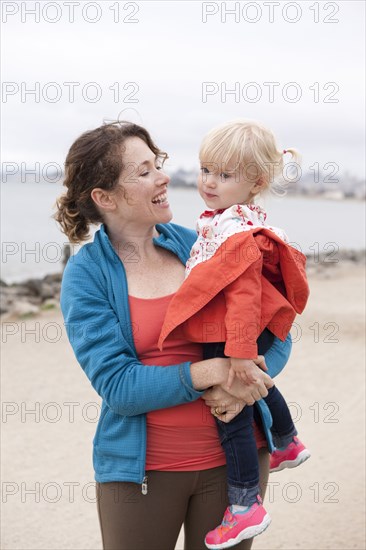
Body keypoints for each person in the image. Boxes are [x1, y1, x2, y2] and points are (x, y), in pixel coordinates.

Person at [55, 121, 292, 550]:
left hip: (237, 462)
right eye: (144, 171)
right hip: (142, 474)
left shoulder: (207, 244)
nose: (164, 177)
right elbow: (120, 387)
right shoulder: (86, 275)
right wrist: (215, 371)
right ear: (104, 197)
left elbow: (278, 333)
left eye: (157, 163)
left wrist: (241, 387)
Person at [158, 120, 311, 549]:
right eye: (207, 170)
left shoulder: (236, 233)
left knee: (232, 414)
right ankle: (286, 440)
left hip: (233, 330)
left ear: (255, 182)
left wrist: (239, 356)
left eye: (225, 176)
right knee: (255, 382)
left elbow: (243, 297)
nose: (209, 182)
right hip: (238, 329)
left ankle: (245, 505)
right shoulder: (231, 220)